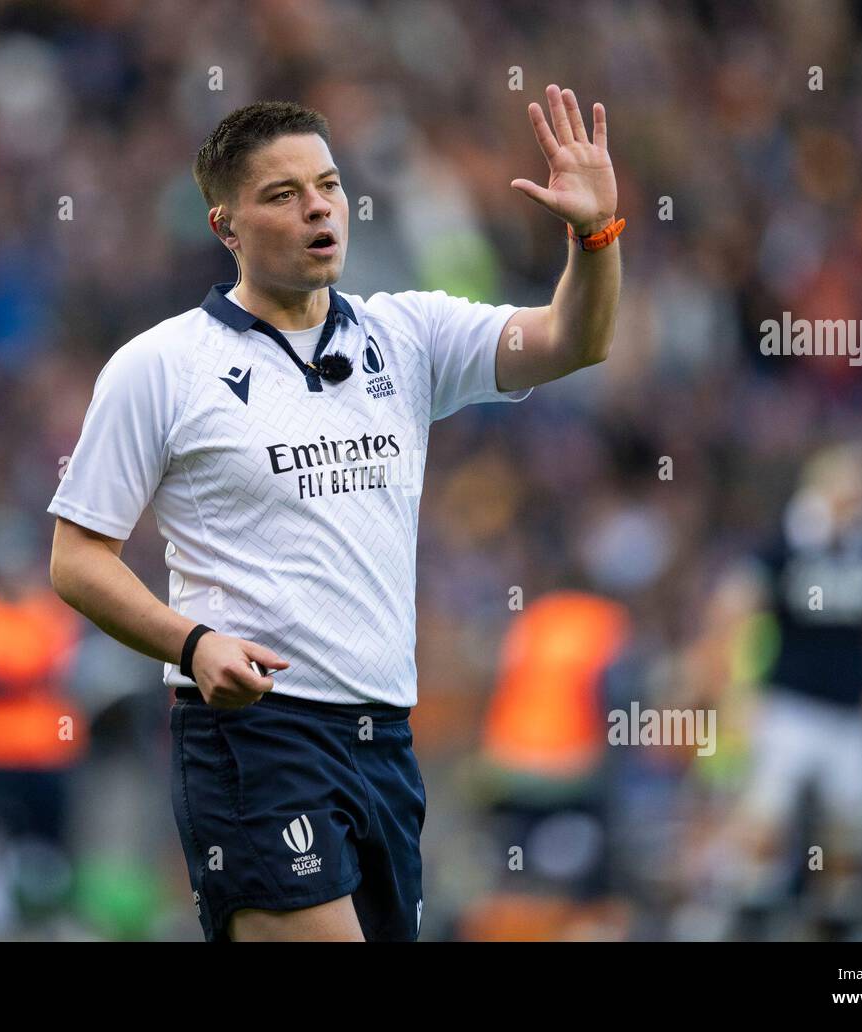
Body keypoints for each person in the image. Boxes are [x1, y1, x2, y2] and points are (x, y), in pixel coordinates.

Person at [46, 86, 623, 941]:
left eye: (328, 184)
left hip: (384, 738)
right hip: (257, 735)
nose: (319, 207)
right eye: (283, 194)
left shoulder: (409, 334)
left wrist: (596, 235)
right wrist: (193, 645)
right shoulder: (161, 367)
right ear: (225, 226)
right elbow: (77, 558)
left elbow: (575, 340)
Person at [710, 443, 862, 940]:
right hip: (788, 701)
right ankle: (746, 916)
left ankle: (840, 926)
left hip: (852, 709)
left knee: (849, 831)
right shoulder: (784, 544)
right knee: (764, 820)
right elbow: (734, 609)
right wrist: (738, 688)